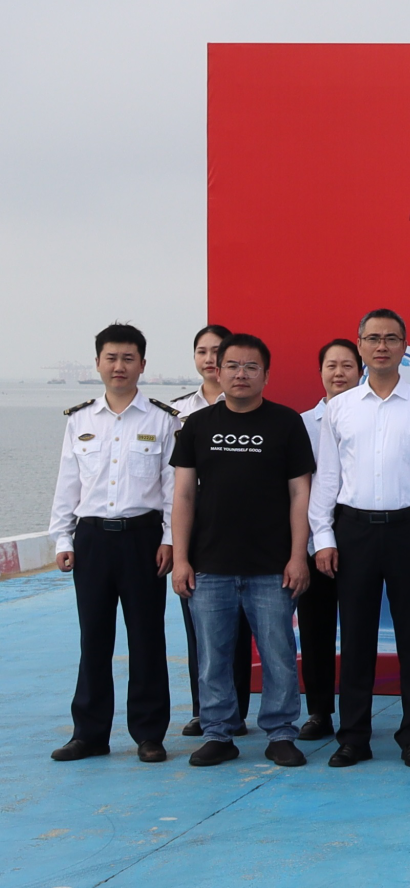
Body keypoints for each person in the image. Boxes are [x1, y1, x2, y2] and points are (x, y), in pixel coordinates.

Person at [310, 308, 410, 768]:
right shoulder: (340, 407)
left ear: (404, 346)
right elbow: (327, 477)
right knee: (355, 639)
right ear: (360, 346)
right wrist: (323, 536)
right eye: (373, 338)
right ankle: (354, 736)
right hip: (353, 532)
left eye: (391, 338)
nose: (382, 346)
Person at [169, 333, 315, 767]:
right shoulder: (197, 426)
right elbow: (183, 496)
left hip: (271, 566)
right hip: (209, 564)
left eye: (251, 367)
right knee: (212, 657)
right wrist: (180, 558)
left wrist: (298, 556)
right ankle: (218, 732)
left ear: (266, 375)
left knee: (279, 655)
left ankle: (281, 733)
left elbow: (300, 494)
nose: (241, 374)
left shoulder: (286, 423)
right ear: (218, 371)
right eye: (232, 365)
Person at [48, 324, 179, 763]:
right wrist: (62, 537)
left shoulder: (162, 419)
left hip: (143, 539)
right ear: (98, 363)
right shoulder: (80, 420)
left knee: (146, 637)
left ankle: (149, 734)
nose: (119, 366)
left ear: (142, 364)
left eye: (128, 358)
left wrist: (170, 539)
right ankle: (89, 734)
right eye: (111, 358)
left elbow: (171, 489)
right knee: (94, 638)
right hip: (92, 540)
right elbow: (68, 484)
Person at [171, 323, 250, 737]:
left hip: (239, 529)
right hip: (196, 531)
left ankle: (237, 710)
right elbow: (171, 484)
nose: (209, 359)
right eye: (202, 351)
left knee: (240, 628)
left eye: (217, 352)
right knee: (200, 628)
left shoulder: (248, 403)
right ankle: (205, 709)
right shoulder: (175, 412)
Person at [296, 338, 361, 740]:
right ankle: (319, 712)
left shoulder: (370, 418)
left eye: (347, 366)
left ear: (360, 371)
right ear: (320, 372)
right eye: (331, 366)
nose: (339, 373)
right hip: (311, 540)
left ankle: (356, 714)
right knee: (315, 629)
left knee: (357, 630)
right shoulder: (302, 424)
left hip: (359, 537)